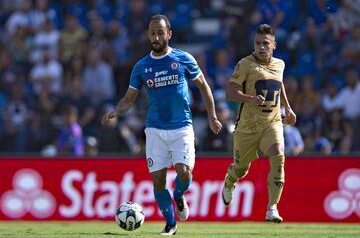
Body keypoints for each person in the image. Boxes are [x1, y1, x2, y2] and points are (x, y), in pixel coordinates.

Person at [101, 14, 222, 235]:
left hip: (182, 127)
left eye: (160, 32)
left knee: (184, 173)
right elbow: (129, 99)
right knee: (158, 181)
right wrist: (116, 111)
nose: (156, 37)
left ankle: (178, 196)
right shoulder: (142, 66)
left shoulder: (183, 58)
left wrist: (212, 116)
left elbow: (203, 86)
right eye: (152, 33)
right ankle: (170, 224)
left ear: (169, 34)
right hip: (155, 129)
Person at [221, 24, 296, 223]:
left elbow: (279, 84)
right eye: (257, 43)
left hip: (272, 123)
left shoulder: (280, 64)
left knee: (279, 156)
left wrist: (287, 107)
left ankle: (272, 208)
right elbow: (230, 91)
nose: (261, 47)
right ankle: (230, 180)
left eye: (265, 44)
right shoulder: (245, 64)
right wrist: (250, 98)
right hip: (246, 128)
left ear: (274, 45)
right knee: (241, 170)